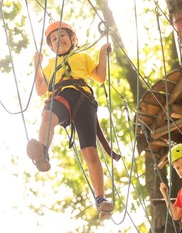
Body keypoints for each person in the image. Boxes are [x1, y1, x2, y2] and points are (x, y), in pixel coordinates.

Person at [27, 21, 118, 220]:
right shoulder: (51, 65)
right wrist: (37, 65)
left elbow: (100, 77)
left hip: (83, 100)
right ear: (50, 46)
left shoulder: (83, 57)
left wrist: (102, 51)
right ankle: (42, 153)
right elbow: (41, 89)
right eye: (53, 39)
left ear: (73, 39)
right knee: (47, 116)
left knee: (90, 151)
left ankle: (101, 199)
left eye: (62, 36)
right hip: (60, 96)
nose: (58, 40)